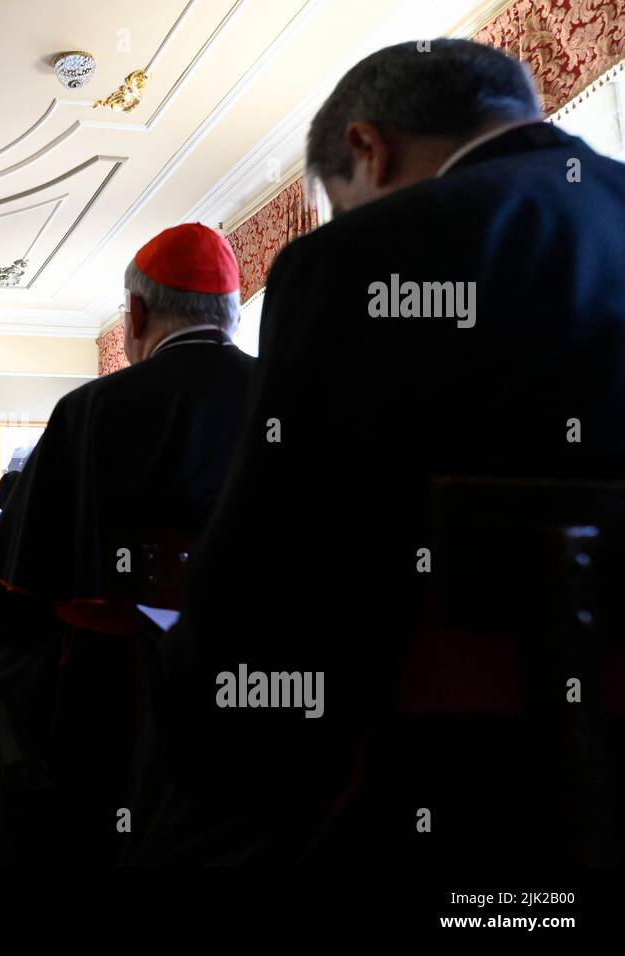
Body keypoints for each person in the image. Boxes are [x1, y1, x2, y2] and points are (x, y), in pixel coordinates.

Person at [135, 39, 625, 865]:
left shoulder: (365, 256)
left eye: (340, 201)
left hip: (461, 784)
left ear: (367, 149)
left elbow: (278, 567)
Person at [0, 223, 254, 866]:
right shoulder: (295, 401)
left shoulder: (91, 409)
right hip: (262, 697)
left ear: (137, 313)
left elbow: (8, 596)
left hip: (108, 706)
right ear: (233, 314)